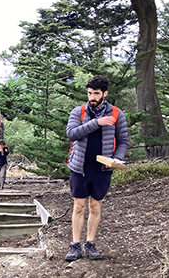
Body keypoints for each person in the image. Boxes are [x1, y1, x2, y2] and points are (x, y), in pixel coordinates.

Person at [65, 75, 128, 262]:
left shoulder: (117, 114)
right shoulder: (79, 112)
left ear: (105, 94)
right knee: (79, 206)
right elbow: (71, 134)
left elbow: (123, 141)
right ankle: (75, 245)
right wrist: (96, 123)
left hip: (102, 168)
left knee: (95, 206)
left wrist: (118, 158)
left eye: (96, 93)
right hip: (79, 166)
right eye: (90, 93)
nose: (92, 97)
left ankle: (90, 243)